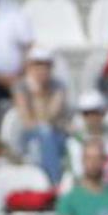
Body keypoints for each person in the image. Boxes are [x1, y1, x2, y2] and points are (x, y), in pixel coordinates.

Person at [11, 48, 68, 184]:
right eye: (37, 64)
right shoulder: (20, 86)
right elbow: (27, 121)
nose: (41, 69)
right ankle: (54, 182)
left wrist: (39, 94)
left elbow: (51, 116)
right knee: (44, 133)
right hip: (29, 136)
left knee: (48, 134)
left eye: (45, 65)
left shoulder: (58, 86)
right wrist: (38, 94)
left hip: (56, 135)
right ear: (29, 67)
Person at [66, 91, 108, 185]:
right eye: (86, 113)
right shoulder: (75, 142)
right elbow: (78, 174)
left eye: (95, 112)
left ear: (104, 112)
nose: (91, 117)